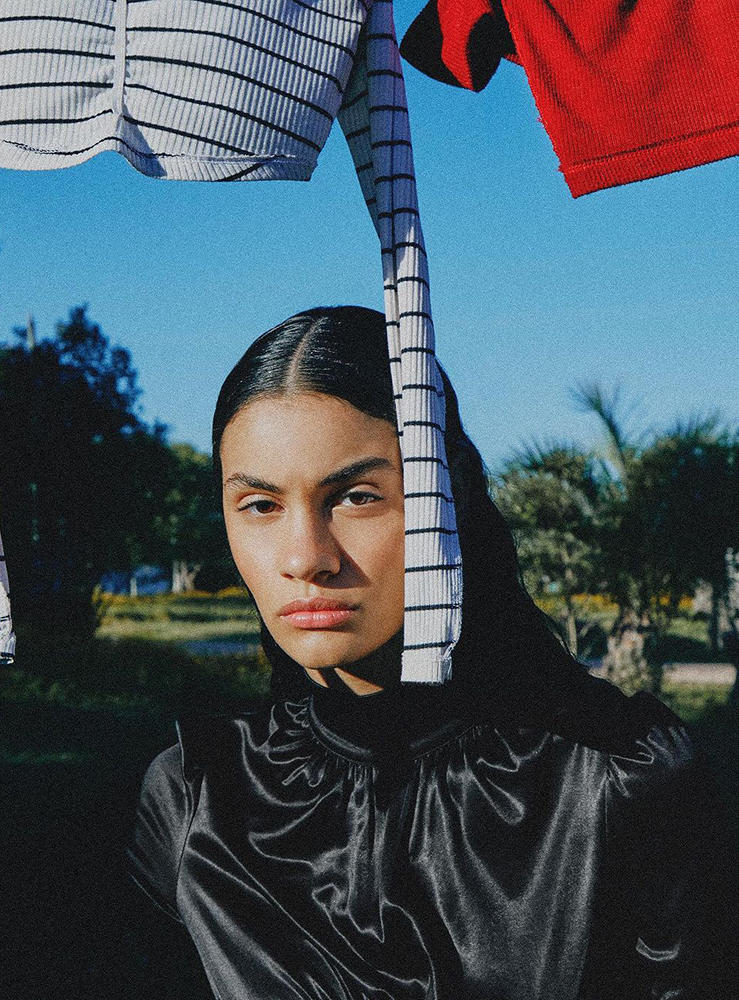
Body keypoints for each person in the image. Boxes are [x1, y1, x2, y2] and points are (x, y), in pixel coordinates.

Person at [126, 306, 735, 1000]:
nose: (305, 557)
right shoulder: (196, 802)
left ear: (453, 494)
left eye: (356, 497)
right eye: (261, 505)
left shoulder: (618, 782)